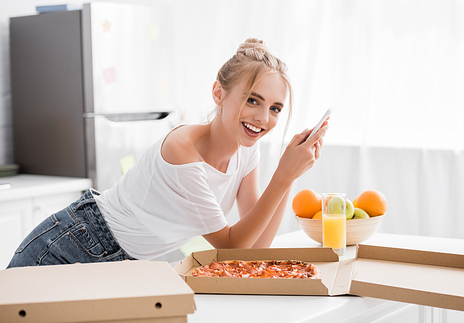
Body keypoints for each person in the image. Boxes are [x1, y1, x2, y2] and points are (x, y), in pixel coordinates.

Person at [7, 38, 328, 268]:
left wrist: (288, 177)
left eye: (275, 108)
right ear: (219, 93)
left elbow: (256, 248)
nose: (263, 119)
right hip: (72, 244)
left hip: (122, 261)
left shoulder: (246, 151)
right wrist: (284, 174)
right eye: (252, 100)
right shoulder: (182, 152)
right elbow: (233, 246)